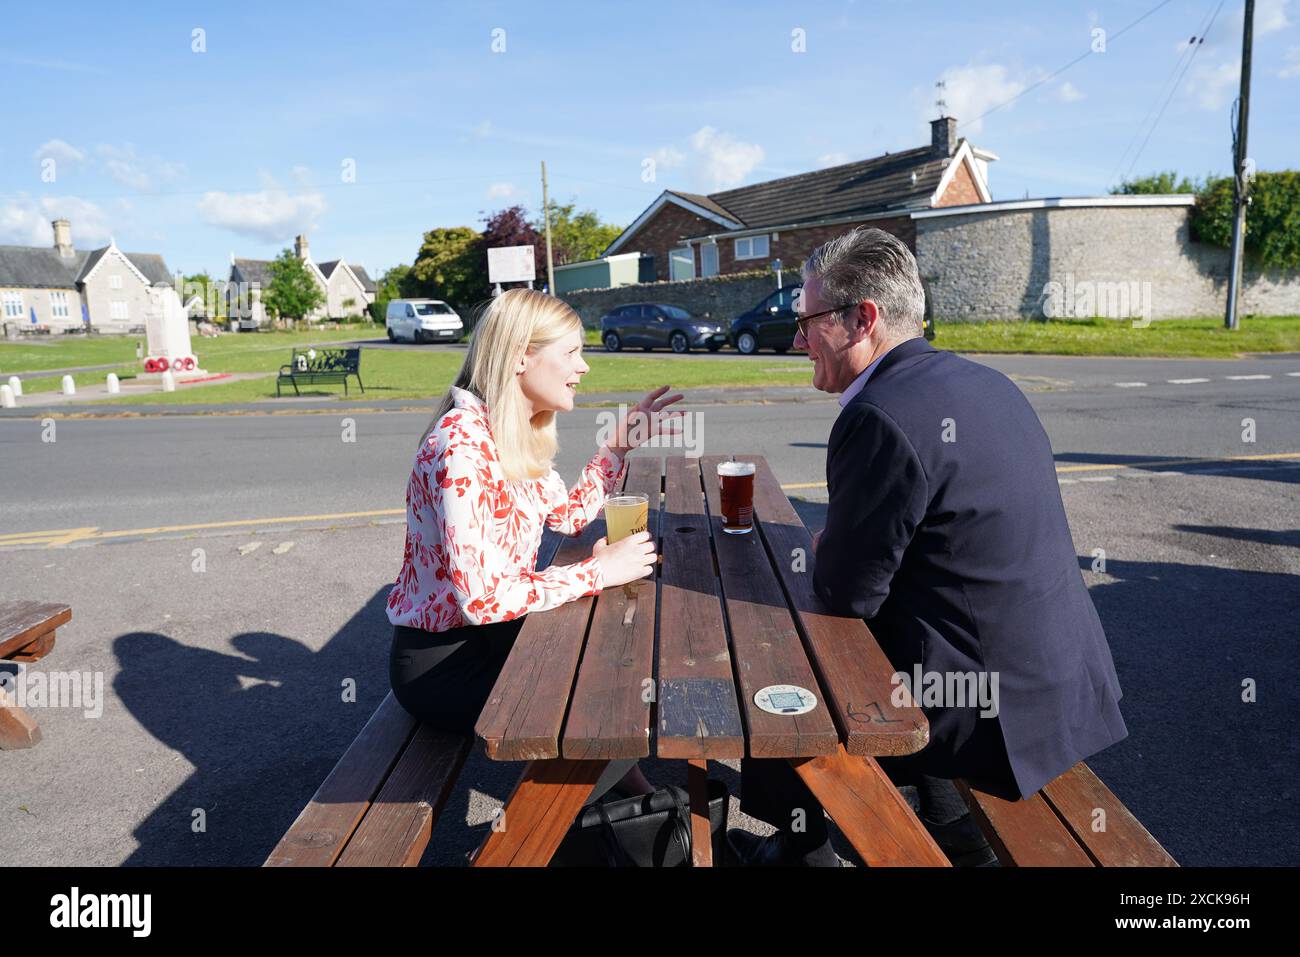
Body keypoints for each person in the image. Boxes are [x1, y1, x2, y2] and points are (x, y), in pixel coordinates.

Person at [728, 227, 1128, 866]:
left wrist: (833, 549)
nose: (798, 340)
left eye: (806, 323)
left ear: (863, 319)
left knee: (785, 661)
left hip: (991, 709)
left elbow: (847, 591)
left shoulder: (877, 415)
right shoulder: (985, 380)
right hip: (1057, 680)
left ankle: (805, 849)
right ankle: (910, 833)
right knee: (833, 655)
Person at [386, 288, 685, 807]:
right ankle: (618, 824)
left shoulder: (508, 432)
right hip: (445, 666)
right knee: (581, 711)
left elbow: (567, 517)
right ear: (521, 355)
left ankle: (644, 807)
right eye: (571, 352)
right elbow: (480, 600)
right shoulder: (460, 448)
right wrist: (596, 574)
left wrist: (615, 447)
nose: (584, 367)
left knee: (596, 678)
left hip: (496, 636)